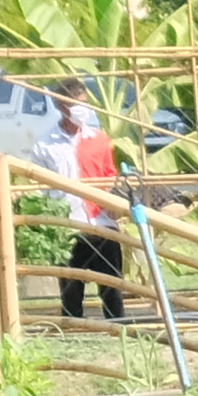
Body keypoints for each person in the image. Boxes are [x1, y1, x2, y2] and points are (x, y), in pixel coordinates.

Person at [52, 92, 132, 324]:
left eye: (84, 103)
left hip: (102, 222)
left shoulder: (98, 139)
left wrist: (112, 202)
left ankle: (119, 328)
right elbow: (43, 188)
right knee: (70, 287)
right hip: (68, 225)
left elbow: (110, 174)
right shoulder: (45, 144)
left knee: (111, 284)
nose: (81, 109)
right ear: (61, 105)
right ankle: (72, 329)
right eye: (75, 103)